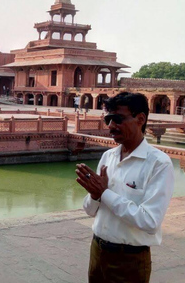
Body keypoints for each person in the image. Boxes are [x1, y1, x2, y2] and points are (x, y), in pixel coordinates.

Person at [75, 92, 174, 283]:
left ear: (140, 119)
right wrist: (95, 195)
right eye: (109, 119)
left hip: (129, 259)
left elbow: (150, 222)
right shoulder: (108, 157)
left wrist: (105, 194)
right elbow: (89, 210)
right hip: (97, 250)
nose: (111, 126)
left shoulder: (158, 163)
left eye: (118, 119)